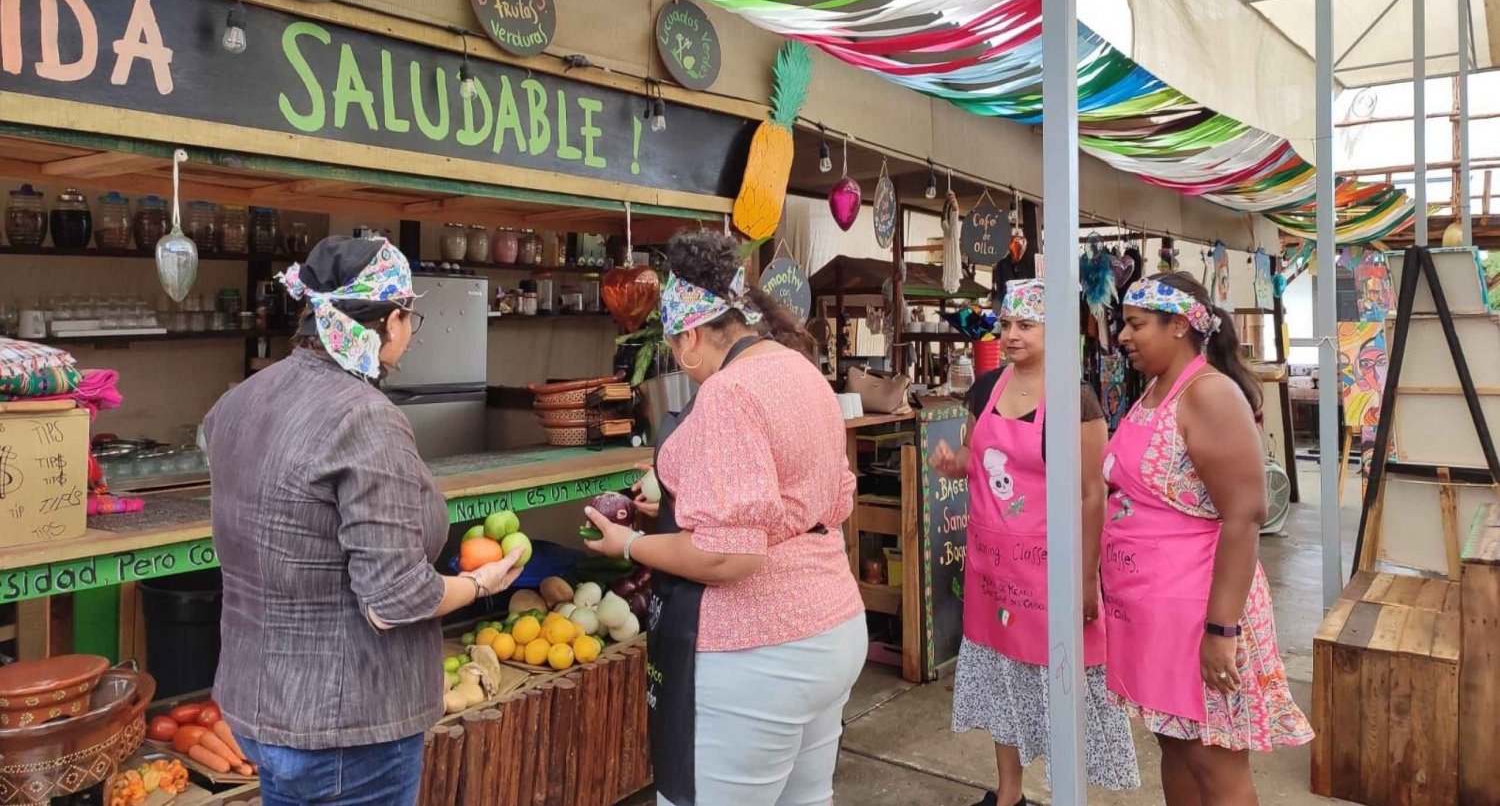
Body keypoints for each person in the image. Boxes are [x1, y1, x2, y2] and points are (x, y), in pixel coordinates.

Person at [204, 237, 524, 806]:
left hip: (258, 704)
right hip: (346, 723)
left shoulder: (239, 400)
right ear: (390, 321)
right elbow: (393, 601)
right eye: (410, 317)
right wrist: (480, 584)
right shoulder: (366, 417)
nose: (410, 332)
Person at [582, 231, 865, 806]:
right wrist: (680, 505)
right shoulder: (799, 368)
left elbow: (729, 556)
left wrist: (629, 545)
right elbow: (789, 492)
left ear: (690, 335)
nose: (679, 364)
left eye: (673, 346)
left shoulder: (727, 393)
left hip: (758, 649)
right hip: (832, 624)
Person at [1105, 272, 1313, 805]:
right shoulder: (1155, 390)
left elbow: (1244, 515)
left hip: (1202, 611)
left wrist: (1222, 629)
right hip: (1153, 613)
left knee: (1213, 762)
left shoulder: (1210, 394)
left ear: (1179, 325)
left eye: (1135, 324)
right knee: (1174, 749)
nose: (1123, 337)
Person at [933, 280, 1139, 806]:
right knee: (1001, 677)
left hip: (1051, 568)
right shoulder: (985, 389)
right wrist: (953, 464)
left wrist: (1088, 577)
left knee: (1058, 681)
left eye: (1026, 325)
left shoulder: (1077, 400)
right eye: (1006, 325)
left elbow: (1093, 494)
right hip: (991, 565)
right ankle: (1009, 795)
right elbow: (973, 458)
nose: (1011, 335)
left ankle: (1067, 792)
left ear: (1055, 330)